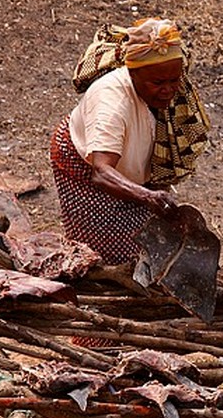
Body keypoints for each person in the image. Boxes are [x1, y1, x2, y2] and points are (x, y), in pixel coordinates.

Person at [50, 17, 209, 265]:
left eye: (173, 81)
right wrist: (147, 197)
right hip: (83, 164)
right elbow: (101, 173)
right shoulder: (111, 102)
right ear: (133, 73)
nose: (168, 90)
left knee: (151, 238)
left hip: (120, 165)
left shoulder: (167, 86)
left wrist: (147, 194)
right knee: (115, 255)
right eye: (158, 83)